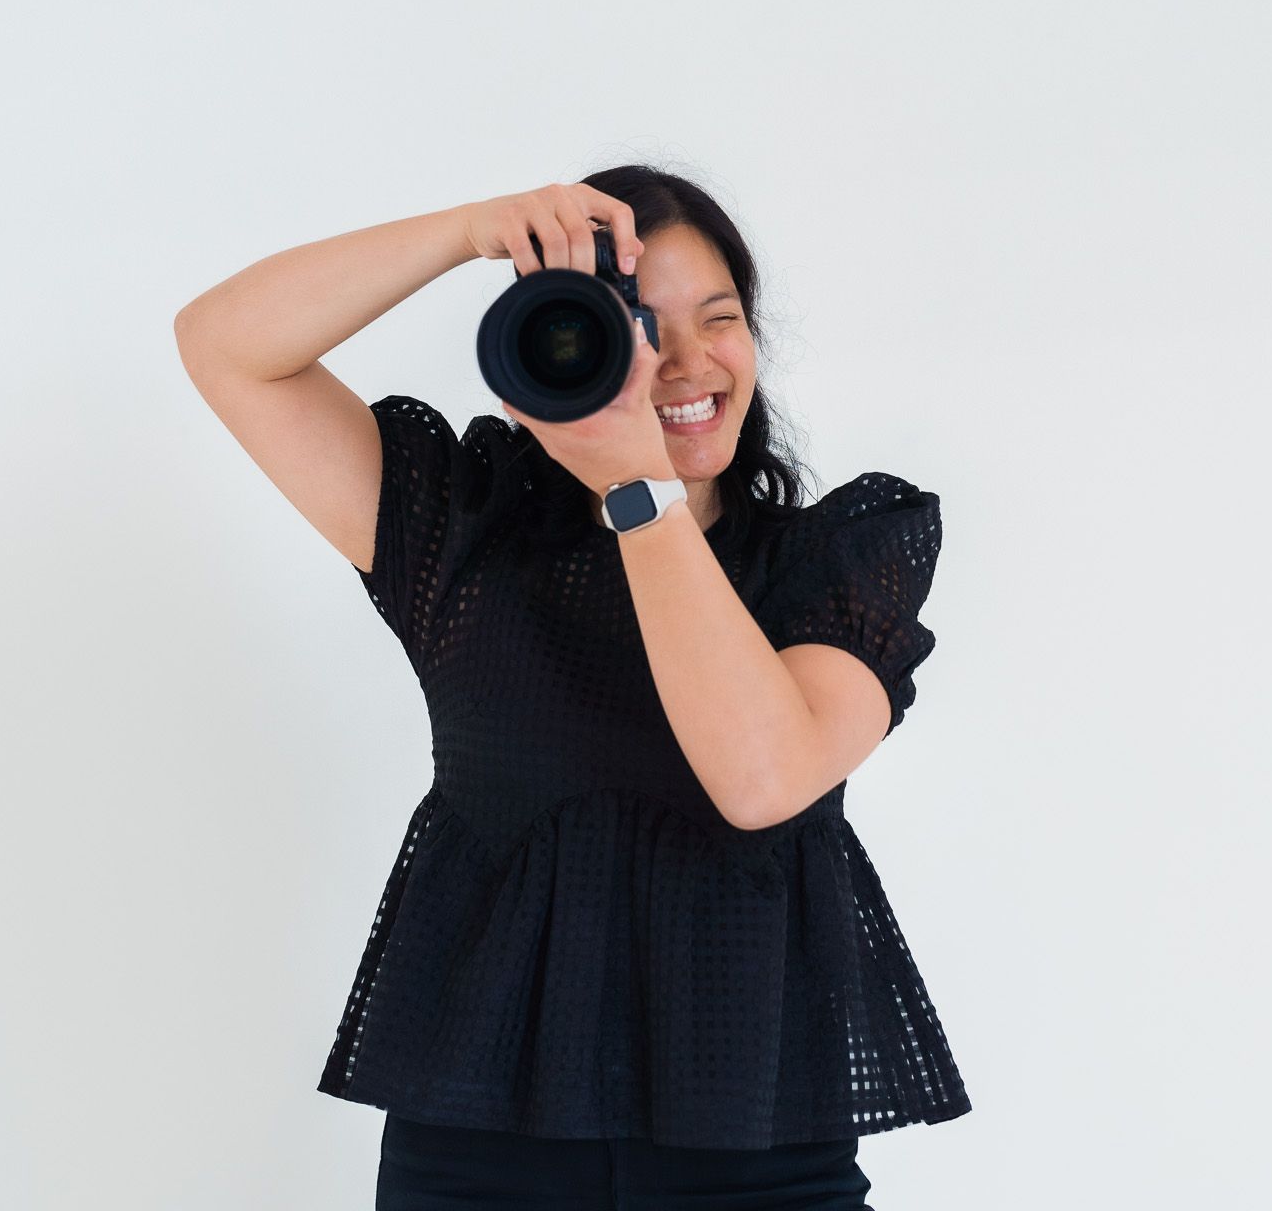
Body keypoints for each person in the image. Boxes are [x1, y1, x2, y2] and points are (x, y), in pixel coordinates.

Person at [174, 166, 972, 1208]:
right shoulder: (465, 528)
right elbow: (226, 343)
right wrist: (469, 229)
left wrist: (639, 491)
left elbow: (761, 778)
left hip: (758, 1147)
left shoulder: (846, 554)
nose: (680, 363)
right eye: (636, 326)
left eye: (719, 318)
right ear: (569, 341)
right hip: (474, 1141)